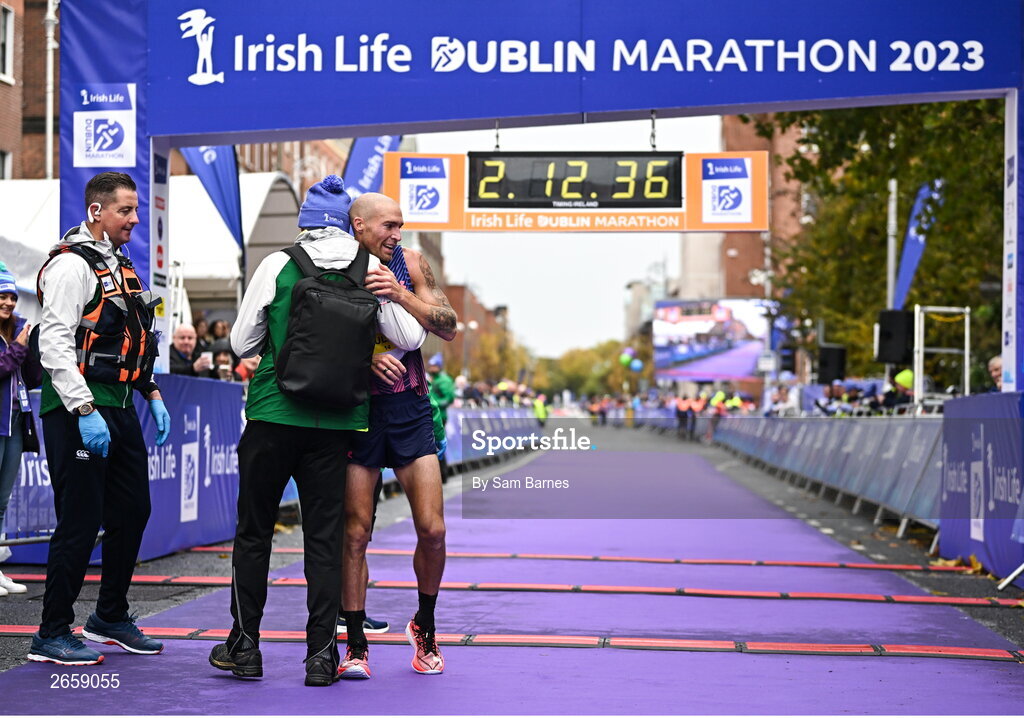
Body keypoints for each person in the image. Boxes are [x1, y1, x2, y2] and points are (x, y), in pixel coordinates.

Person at [209, 176, 423, 687]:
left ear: (304, 220)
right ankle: (322, 656)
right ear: (348, 221)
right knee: (324, 540)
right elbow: (411, 336)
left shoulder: (278, 263)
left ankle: (245, 647)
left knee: (255, 531)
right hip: (335, 424)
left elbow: (241, 342)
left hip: (272, 415)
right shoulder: (370, 268)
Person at [28, 172, 171, 667]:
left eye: (135, 210)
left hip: (119, 404)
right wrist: (84, 409)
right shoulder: (71, 267)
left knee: (134, 511)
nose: (135, 219)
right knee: (81, 519)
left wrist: (149, 389)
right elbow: (54, 344)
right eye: (126, 211)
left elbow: (130, 338)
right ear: (96, 212)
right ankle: (50, 632)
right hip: (77, 409)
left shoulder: (120, 265)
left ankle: (109, 616)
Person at [340, 192, 456, 680]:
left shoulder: (410, 263)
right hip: (356, 408)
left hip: (409, 409)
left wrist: (401, 293)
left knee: (433, 530)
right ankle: (357, 644)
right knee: (356, 532)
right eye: (388, 225)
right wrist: (363, 359)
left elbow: (448, 327)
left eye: (401, 224)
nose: (396, 233)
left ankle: (423, 626)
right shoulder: (336, 263)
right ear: (359, 225)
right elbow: (309, 337)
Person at [0, 263, 42, 596]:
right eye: (3, 295)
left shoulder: (16, 331)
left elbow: (33, 377)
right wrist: (17, 347)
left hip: (15, 421)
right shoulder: (11, 340)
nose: (9, 302)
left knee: (2, 501)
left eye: (12, 296)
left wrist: (31, 346)